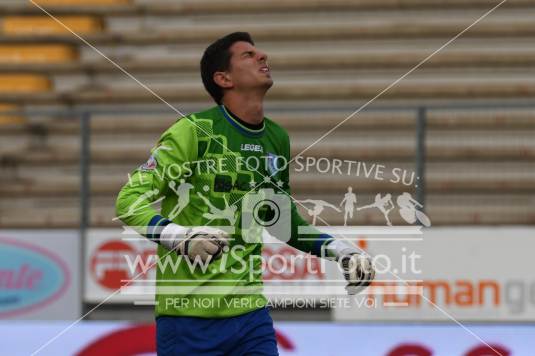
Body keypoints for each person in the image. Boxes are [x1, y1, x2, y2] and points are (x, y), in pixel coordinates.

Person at [115, 32, 375, 355]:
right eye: (248, 55)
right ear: (223, 78)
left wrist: (339, 249)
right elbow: (128, 200)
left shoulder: (276, 139)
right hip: (187, 320)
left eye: (258, 52)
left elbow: (279, 221)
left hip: (251, 316)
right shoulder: (194, 133)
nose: (263, 56)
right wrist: (180, 237)